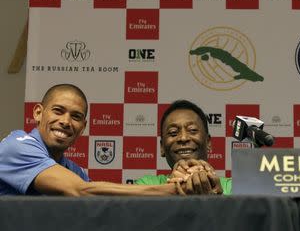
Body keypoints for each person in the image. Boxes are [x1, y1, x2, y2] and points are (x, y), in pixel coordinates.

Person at [0, 84, 203, 196]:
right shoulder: (17, 145)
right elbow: (81, 191)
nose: (65, 121)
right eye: (58, 111)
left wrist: (186, 181)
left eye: (76, 117)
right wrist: (172, 189)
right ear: (38, 112)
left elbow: (100, 204)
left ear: (83, 128)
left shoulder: (74, 171)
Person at [136, 99, 232, 195]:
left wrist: (218, 199)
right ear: (162, 148)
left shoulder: (232, 187)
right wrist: (171, 189)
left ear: (208, 142)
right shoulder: (146, 184)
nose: (183, 138)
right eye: (173, 133)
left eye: (192, 130)